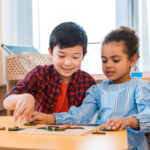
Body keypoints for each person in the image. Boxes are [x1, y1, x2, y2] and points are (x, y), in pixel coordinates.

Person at [30, 26, 150, 150]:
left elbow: (148, 114)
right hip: (103, 144)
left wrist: (130, 121)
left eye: (115, 60)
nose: (108, 65)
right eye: (104, 61)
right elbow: (81, 115)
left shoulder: (140, 87)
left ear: (132, 60)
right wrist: (52, 118)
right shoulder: (98, 89)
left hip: (130, 146)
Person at [3, 22, 96, 122]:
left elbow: (87, 115)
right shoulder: (40, 74)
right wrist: (24, 97)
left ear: (83, 55)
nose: (68, 63)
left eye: (75, 57)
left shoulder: (87, 81)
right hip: (40, 132)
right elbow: (6, 102)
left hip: (73, 133)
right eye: (61, 56)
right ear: (51, 53)